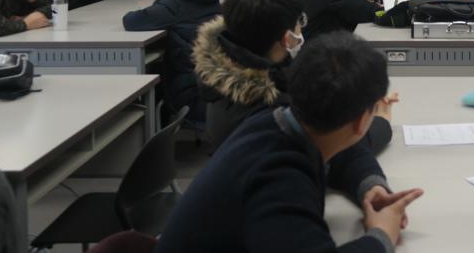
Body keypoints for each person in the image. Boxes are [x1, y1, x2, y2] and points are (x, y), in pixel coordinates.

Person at [157, 31, 423, 253]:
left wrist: (370, 187)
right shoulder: (281, 178)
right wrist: (382, 235)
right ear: (362, 122)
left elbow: (346, 153)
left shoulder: (276, 120)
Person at [194, 0, 394, 151]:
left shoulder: (234, 67)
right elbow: (334, 149)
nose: (301, 28)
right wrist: (380, 120)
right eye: (300, 22)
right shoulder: (272, 113)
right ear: (287, 38)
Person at [123, 0, 222, 124]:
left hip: (193, 91)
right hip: (217, 85)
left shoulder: (173, 4)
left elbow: (131, 21)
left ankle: (153, 129)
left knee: (153, 73)